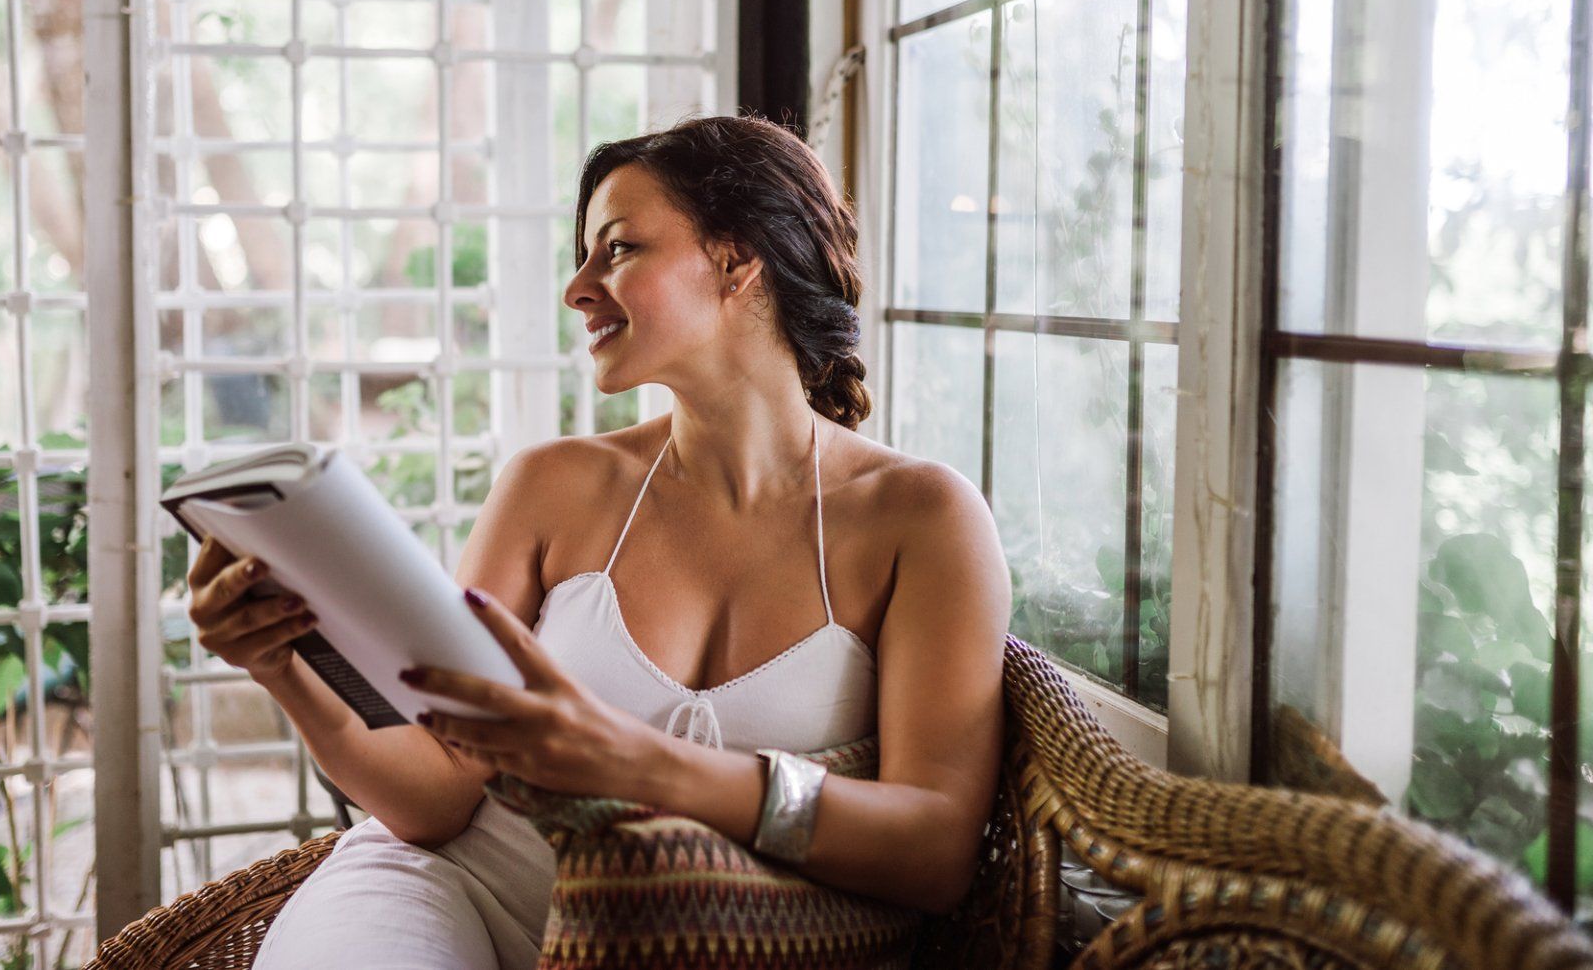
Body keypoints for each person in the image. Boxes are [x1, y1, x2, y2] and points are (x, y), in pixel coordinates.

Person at [185, 112, 1012, 968]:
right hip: (445, 893)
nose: (577, 289)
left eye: (616, 250)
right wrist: (278, 664)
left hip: (686, 942)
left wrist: (639, 764)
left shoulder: (922, 519)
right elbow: (435, 801)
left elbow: (935, 849)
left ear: (736, 261)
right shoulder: (551, 488)